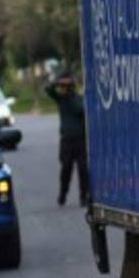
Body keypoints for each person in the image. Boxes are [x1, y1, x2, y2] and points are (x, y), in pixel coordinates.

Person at [45, 71, 90, 207]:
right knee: (66, 169)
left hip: (80, 139)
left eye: (68, 85)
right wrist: (58, 82)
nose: (65, 88)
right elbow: (48, 89)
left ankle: (84, 196)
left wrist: (70, 90)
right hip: (67, 140)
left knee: (83, 170)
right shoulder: (61, 99)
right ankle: (63, 194)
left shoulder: (79, 99)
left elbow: (82, 111)